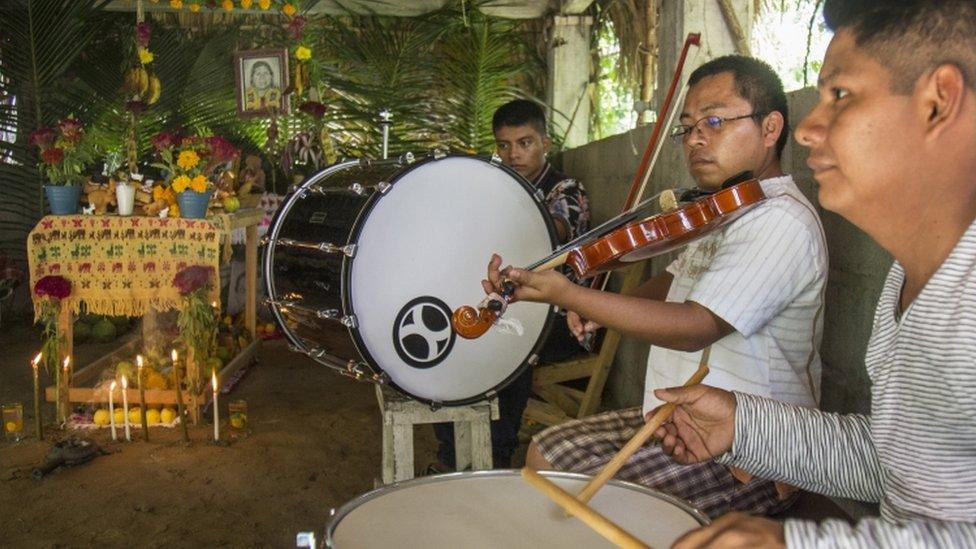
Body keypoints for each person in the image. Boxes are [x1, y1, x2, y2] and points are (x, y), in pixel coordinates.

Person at [653, 1, 976, 546]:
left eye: (840, 96)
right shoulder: (909, 277)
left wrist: (794, 543)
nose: (806, 130)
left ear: (937, 103)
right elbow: (906, 463)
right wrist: (745, 425)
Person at [490, 56, 828, 519]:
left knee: (588, 512)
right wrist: (604, 305)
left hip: (746, 455)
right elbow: (673, 283)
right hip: (679, 418)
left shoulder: (780, 221)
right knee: (547, 454)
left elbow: (695, 326)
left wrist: (571, 294)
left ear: (771, 127)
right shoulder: (725, 209)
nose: (695, 140)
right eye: (687, 127)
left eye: (714, 121)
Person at [431, 99, 590, 471]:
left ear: (545, 144)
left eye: (525, 143)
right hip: (508, 307)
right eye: (504, 145)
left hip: (560, 319)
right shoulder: (495, 189)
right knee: (449, 330)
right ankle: (452, 455)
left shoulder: (565, 189)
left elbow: (553, 232)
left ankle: (495, 458)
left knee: (501, 341)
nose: (514, 154)